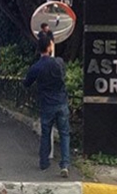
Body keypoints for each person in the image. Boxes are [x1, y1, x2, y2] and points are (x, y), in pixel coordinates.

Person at [23, 37, 71, 178]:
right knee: (64, 133)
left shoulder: (36, 67)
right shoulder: (59, 63)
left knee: (45, 133)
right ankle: (65, 164)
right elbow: (64, 76)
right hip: (61, 102)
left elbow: (26, 83)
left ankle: (44, 162)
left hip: (46, 104)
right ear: (50, 47)